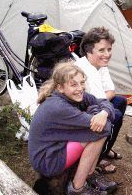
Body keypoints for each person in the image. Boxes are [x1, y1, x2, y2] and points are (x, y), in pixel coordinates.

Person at [28, 62, 118, 195]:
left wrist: (103, 113)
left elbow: (103, 102)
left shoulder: (73, 94)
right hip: (47, 161)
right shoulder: (58, 106)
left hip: (57, 146)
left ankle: (88, 175)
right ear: (61, 87)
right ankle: (77, 188)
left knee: (99, 129)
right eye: (74, 84)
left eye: (82, 82)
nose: (80, 88)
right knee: (100, 132)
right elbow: (104, 127)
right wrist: (97, 112)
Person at [75, 27, 127, 174]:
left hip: (93, 105)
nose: (107, 54)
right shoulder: (84, 69)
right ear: (89, 51)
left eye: (109, 49)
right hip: (79, 113)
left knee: (120, 101)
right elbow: (98, 99)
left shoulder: (99, 64)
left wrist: (103, 101)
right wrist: (103, 102)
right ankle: (97, 159)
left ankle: (105, 148)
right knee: (115, 115)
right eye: (102, 50)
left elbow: (111, 92)